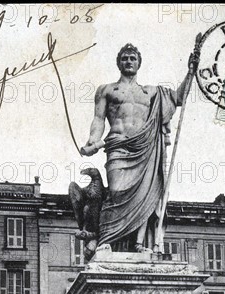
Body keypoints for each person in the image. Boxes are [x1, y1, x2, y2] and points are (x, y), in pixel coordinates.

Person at [81, 44, 197, 252]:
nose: (128, 62)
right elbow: (98, 119)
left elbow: (179, 98)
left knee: (145, 195)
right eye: (124, 58)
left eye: (132, 58)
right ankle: (106, 239)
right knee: (116, 191)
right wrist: (92, 141)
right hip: (117, 144)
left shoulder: (151, 92)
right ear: (119, 62)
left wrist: (190, 72)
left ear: (138, 63)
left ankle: (138, 245)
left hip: (145, 149)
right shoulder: (106, 90)